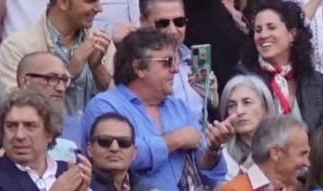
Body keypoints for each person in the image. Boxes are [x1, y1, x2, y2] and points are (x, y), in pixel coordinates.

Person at [80, 27, 228, 188]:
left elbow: (207, 170)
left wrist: (213, 149)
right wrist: (175, 140)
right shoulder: (105, 106)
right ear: (139, 68)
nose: (176, 70)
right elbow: (112, 155)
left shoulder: (178, 107)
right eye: (167, 62)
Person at [0, 0, 112, 124]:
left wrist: (97, 67)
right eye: (91, 1)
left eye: (99, 0)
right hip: (47, 145)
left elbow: (119, 103)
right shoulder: (17, 47)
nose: (99, 9)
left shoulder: (101, 40)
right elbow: (15, 112)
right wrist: (68, 74)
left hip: (97, 143)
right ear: (63, 2)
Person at [239, 0, 323, 129]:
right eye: (258, 30)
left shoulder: (316, 81)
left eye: (271, 27)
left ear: (292, 34)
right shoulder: (244, 78)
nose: (263, 35)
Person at [0, 89, 86, 191]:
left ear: (49, 133)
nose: (19, 135)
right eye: (11, 126)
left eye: (30, 126)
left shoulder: (69, 173)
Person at [217, 76, 278, 179]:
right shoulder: (223, 156)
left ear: (265, 107)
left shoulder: (284, 141)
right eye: (232, 105)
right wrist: (247, 167)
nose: (239, 111)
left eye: (247, 102)